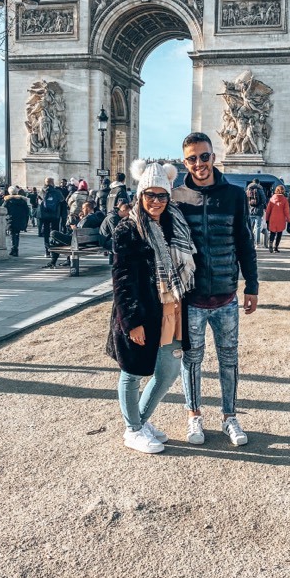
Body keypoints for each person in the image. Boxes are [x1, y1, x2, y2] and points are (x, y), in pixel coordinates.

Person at [172, 132, 258, 447]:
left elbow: (245, 243)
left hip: (226, 295)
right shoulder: (175, 197)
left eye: (204, 156)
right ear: (185, 162)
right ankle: (194, 416)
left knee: (229, 359)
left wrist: (252, 284)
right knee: (191, 360)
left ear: (214, 156)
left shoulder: (235, 196)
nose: (199, 163)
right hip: (191, 297)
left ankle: (229, 417)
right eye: (192, 158)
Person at [107, 160, 196, 454]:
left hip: (172, 308)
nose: (156, 201)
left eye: (162, 195)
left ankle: (139, 422)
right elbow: (121, 279)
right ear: (140, 195)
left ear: (169, 196)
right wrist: (132, 322)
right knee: (132, 372)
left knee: (168, 372)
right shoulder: (127, 229)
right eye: (150, 195)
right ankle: (133, 430)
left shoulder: (175, 222)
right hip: (142, 311)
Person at [2, 185, 29, 257]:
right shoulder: (22, 200)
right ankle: (15, 248)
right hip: (20, 219)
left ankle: (14, 249)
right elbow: (27, 211)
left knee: (12, 234)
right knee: (17, 234)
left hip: (11, 219)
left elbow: (2, 209)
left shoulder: (7, 201)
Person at [39, 177, 63, 256]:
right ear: (53, 183)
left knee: (46, 233)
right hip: (55, 215)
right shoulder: (57, 192)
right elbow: (62, 201)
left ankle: (47, 250)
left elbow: (39, 203)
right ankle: (54, 250)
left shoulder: (42, 191)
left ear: (45, 183)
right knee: (55, 232)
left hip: (45, 216)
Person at [265, 184, 290, 253]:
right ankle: (276, 247)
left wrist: (267, 219)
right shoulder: (285, 200)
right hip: (281, 219)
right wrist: (289, 220)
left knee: (272, 232)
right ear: (283, 191)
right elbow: (287, 211)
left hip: (272, 218)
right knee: (279, 233)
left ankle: (270, 242)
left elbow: (268, 211)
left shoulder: (272, 199)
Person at [245, 178, 267, 247]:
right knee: (258, 227)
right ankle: (257, 243)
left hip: (250, 211)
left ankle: (249, 241)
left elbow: (245, 200)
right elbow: (264, 200)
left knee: (249, 227)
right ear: (258, 183)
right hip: (258, 211)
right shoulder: (260, 189)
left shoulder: (248, 189)